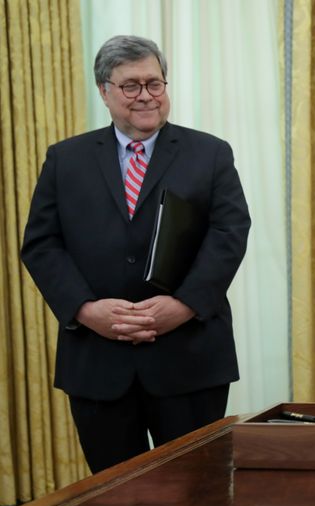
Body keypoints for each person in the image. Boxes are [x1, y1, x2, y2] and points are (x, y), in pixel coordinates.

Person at [21, 35, 251, 472]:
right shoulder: (65, 159)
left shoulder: (210, 153)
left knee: (198, 496)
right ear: (104, 91)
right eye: (131, 86)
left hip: (189, 357)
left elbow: (229, 233)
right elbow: (42, 244)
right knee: (115, 501)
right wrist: (86, 310)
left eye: (155, 83)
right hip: (97, 361)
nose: (145, 96)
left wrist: (183, 305)